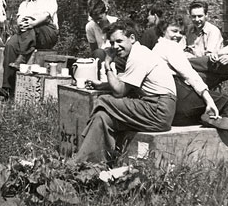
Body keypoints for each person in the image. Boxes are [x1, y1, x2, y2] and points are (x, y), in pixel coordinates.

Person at [74, 20, 177, 164]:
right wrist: (101, 85)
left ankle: (83, 162)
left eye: (119, 41)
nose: (115, 46)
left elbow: (119, 92)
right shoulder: (138, 53)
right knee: (103, 117)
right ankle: (91, 163)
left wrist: (107, 64)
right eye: (112, 43)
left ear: (132, 38)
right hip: (153, 107)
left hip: (158, 109)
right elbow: (125, 85)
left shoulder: (138, 56)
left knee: (103, 100)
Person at [153, 16, 228, 131]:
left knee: (200, 105)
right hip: (179, 100)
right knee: (226, 101)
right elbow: (189, 74)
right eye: (174, 31)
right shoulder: (170, 46)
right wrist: (208, 99)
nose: (178, 35)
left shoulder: (155, 48)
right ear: (163, 30)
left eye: (181, 32)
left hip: (167, 110)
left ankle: (207, 118)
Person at [1, 0, 59, 98]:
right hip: (27, 33)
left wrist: (32, 23)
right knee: (11, 44)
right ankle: (7, 87)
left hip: (47, 33)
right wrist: (24, 24)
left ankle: (22, 56)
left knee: (33, 28)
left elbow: (46, 16)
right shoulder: (24, 4)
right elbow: (20, 20)